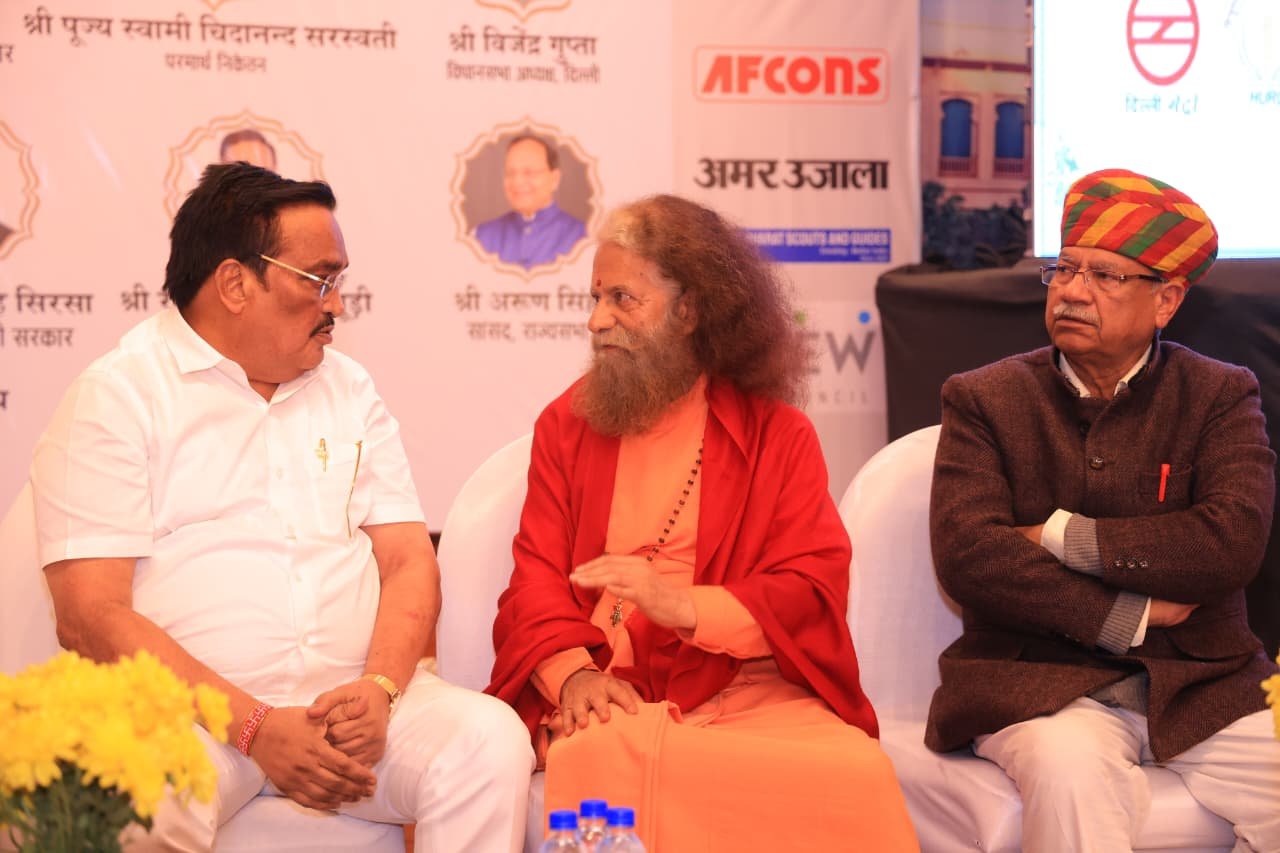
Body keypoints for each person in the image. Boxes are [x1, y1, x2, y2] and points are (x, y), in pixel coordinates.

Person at [31, 163, 532, 852]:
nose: (337, 305)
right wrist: (253, 726)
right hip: (193, 721)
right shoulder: (119, 396)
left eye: (339, 281)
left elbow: (408, 559)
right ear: (235, 283)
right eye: (319, 280)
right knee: (131, 793)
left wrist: (381, 686)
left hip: (350, 709)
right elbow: (90, 614)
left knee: (488, 741)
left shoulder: (349, 388)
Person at [487, 194, 918, 851]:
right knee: (598, 756)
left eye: (622, 299)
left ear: (689, 310)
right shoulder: (566, 425)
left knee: (857, 773)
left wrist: (684, 607)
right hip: (612, 686)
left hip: (750, 687)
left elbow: (810, 588)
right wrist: (573, 676)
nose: (597, 320)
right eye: (596, 298)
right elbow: (534, 582)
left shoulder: (778, 436)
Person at [927, 168, 1280, 850]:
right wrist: (1126, 615)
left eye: (1105, 276)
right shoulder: (983, 398)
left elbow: (1229, 543)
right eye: (1063, 270)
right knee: (1071, 777)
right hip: (1037, 685)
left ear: (1166, 300)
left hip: (1207, 687)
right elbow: (971, 556)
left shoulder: (1219, 395)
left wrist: (1057, 534)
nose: (1072, 291)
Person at [474, 134, 585, 269]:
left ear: (555, 179)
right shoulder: (481, 236)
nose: (517, 182)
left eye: (529, 172)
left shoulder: (582, 237)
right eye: (510, 173)